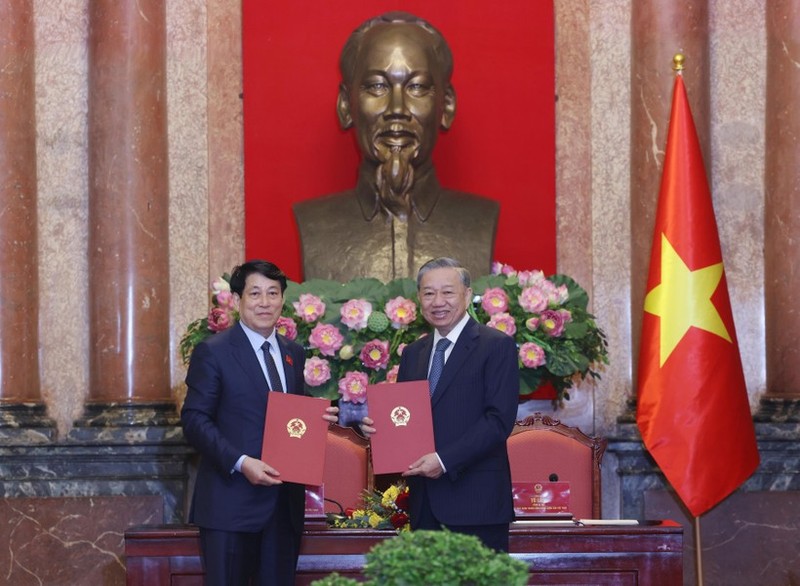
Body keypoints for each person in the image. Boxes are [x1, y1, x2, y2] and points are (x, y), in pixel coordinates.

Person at [293, 12, 499, 282]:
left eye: (417, 87)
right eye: (378, 86)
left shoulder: (479, 219)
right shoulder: (316, 223)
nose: (397, 109)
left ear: (446, 105)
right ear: (346, 105)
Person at [181, 259, 338, 585]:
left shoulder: (293, 352)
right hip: (230, 505)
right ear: (238, 301)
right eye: (255, 294)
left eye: (273, 293)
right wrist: (241, 462)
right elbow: (195, 420)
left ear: (283, 300)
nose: (264, 302)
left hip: (284, 508)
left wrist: (320, 416)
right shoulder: (213, 352)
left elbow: (290, 416)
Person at [361, 257, 519, 551]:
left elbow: (498, 421)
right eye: (428, 293)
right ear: (419, 298)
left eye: (447, 292)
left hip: (476, 504)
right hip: (425, 506)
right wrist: (381, 429)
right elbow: (406, 418)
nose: (438, 301)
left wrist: (444, 461)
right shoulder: (413, 353)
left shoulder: (495, 345)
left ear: (467, 295)